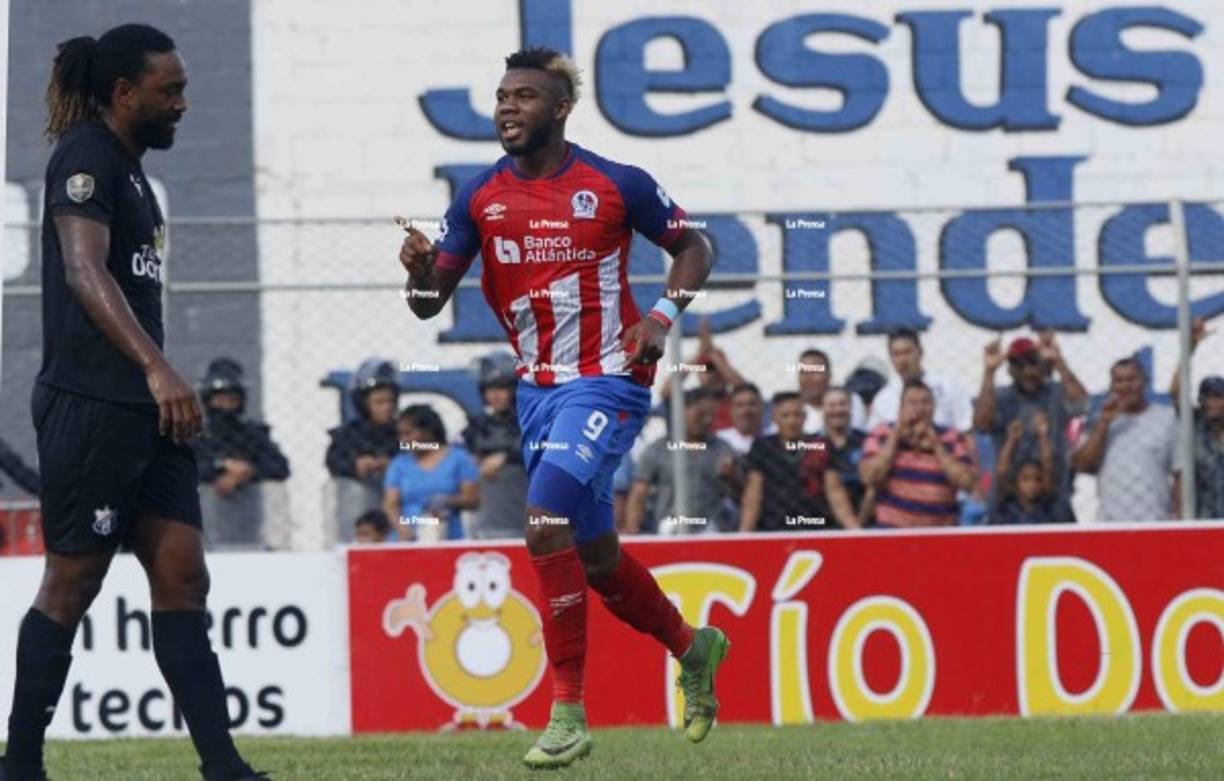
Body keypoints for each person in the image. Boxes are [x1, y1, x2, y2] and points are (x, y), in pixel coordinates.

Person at [396, 47, 726, 768]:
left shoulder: (616, 183)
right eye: (502, 96)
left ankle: (567, 711)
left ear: (561, 108)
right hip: (537, 393)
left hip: (608, 380)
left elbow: (696, 245)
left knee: (544, 523)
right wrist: (419, 273)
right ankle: (692, 647)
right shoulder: (479, 197)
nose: (508, 108)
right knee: (598, 560)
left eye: (524, 96)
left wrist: (661, 318)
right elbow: (427, 303)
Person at [2, 26, 265, 781]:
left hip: (150, 413)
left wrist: (157, 381)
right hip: (94, 405)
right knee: (72, 583)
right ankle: (21, 763)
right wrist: (158, 368)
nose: (182, 103)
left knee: (183, 577)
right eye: (169, 90)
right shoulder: (86, 156)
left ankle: (224, 766)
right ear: (124, 93)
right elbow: (83, 270)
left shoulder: (133, 173)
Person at [973, 332, 1089, 521]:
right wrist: (989, 372)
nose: (1027, 371)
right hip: (1008, 498)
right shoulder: (1001, 397)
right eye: (1019, 365)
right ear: (1010, 370)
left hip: (1054, 496)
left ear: (1042, 365)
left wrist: (1058, 361)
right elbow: (982, 424)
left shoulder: (1056, 393)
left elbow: (1082, 403)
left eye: (1032, 363)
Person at [190, 359, 290, 547]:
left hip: (251, 527)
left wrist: (246, 471)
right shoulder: (195, 436)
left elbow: (280, 467)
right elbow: (185, 469)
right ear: (208, 400)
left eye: (232, 400)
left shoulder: (253, 435)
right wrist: (222, 466)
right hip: (201, 528)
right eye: (220, 400)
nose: (226, 406)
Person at [1070, 357, 1179, 521]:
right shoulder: (1098, 420)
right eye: (1119, 381)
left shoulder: (1167, 418)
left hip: (1155, 520)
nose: (1126, 386)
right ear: (1112, 386)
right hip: (1111, 522)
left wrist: (1180, 518)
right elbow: (1082, 465)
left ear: (1144, 382)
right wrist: (1104, 424)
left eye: (1132, 379)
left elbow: (1180, 473)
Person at [860, 380, 978, 528]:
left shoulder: (950, 436)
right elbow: (869, 477)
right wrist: (895, 437)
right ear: (901, 407)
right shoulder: (882, 433)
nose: (920, 409)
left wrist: (937, 446)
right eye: (913, 403)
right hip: (892, 530)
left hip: (940, 530)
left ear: (934, 407)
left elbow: (968, 483)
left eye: (925, 403)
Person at [740, 392, 858, 532]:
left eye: (797, 415)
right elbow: (753, 492)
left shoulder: (820, 445)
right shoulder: (762, 446)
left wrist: (854, 529)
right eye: (785, 416)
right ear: (775, 418)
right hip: (774, 527)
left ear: (804, 417)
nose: (792, 421)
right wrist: (744, 533)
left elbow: (835, 490)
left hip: (816, 526)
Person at [626, 389, 738, 535]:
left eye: (711, 415)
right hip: (669, 526)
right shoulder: (658, 449)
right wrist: (632, 530)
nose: (707, 420)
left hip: (710, 526)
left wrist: (731, 476)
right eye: (701, 414)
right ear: (681, 412)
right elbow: (639, 492)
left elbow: (739, 491)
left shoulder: (723, 448)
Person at [325, 358, 401, 537]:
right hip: (359, 513)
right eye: (379, 402)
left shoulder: (402, 432)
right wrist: (356, 465)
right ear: (364, 403)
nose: (387, 407)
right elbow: (333, 461)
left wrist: (394, 465)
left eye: (390, 401)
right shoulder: (348, 435)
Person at [383, 405, 480, 542]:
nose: (404, 440)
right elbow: (391, 505)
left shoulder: (459, 459)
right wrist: (403, 529)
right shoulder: (398, 464)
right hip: (408, 538)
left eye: (409, 434)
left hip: (448, 536)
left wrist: (448, 501)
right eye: (401, 435)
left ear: (428, 431)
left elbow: (472, 498)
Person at [462, 353, 529, 539]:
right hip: (485, 521)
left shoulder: (528, 422)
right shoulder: (477, 427)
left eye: (501, 388)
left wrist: (507, 457)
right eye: (489, 389)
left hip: (523, 519)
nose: (495, 395)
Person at [866, 329, 973, 432]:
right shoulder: (883, 399)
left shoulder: (947, 387)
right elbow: (874, 437)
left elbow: (965, 427)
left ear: (920, 352)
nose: (903, 360)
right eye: (897, 354)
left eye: (907, 352)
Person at [992, 416, 1071, 524]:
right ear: (1015, 483)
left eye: (1038, 479)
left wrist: (1043, 435)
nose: (1032, 484)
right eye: (1026, 479)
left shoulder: (1047, 506)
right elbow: (1002, 469)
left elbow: (1048, 463)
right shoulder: (1008, 505)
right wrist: (1011, 439)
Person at [820, 386, 872, 526]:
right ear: (823, 409)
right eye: (832, 405)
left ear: (851, 407)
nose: (837, 410)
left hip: (866, 517)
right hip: (822, 521)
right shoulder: (811, 443)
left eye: (842, 404)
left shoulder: (867, 441)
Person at [794, 348, 866, 434]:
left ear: (829, 375)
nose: (807, 378)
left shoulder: (849, 401)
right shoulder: (791, 410)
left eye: (814, 372)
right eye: (803, 372)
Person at [716, 382, 765, 455]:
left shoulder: (776, 437)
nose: (746, 410)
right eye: (740, 405)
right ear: (731, 411)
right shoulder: (719, 439)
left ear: (762, 407)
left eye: (752, 404)